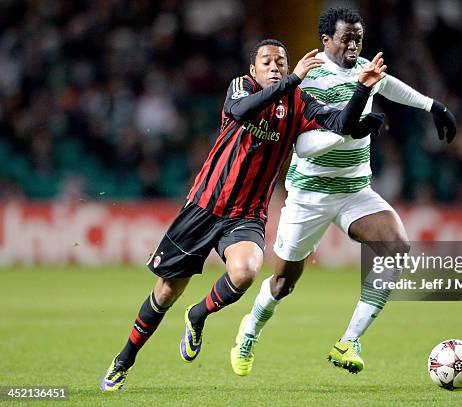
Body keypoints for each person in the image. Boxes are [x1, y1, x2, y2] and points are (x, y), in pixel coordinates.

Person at [100, 38, 388, 391]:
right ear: (253, 69)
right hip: (203, 207)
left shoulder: (298, 103)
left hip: (246, 215)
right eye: (266, 61)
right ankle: (124, 360)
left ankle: (198, 314)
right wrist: (293, 79)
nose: (274, 66)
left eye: (281, 61)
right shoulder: (242, 87)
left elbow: (341, 124)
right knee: (164, 294)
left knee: (246, 272)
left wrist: (360, 92)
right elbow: (240, 112)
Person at [231, 8, 457, 376]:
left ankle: (349, 340)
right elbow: (301, 147)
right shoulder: (306, 79)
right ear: (326, 41)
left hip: (355, 191)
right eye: (346, 38)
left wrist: (432, 106)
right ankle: (251, 330)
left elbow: (389, 84)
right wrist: (350, 131)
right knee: (284, 283)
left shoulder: (363, 69)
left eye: (358, 38)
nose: (353, 45)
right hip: (309, 195)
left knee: (396, 247)